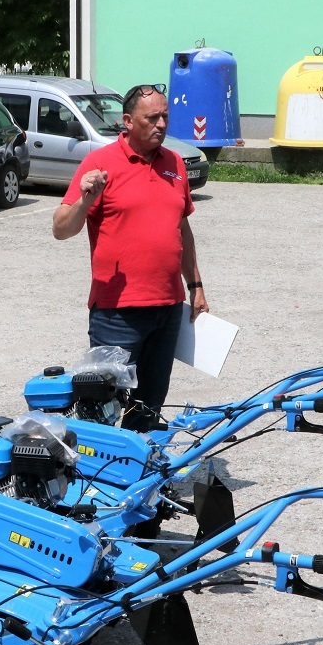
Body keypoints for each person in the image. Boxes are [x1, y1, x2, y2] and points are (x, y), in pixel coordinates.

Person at [52, 83, 207, 432]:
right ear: (127, 121)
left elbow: (182, 229)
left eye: (165, 116)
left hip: (167, 309)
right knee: (101, 410)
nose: (161, 124)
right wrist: (86, 200)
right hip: (117, 314)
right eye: (152, 118)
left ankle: (137, 464)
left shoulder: (175, 163)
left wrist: (195, 285)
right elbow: (61, 229)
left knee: (148, 408)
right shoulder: (99, 163)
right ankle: (98, 466)